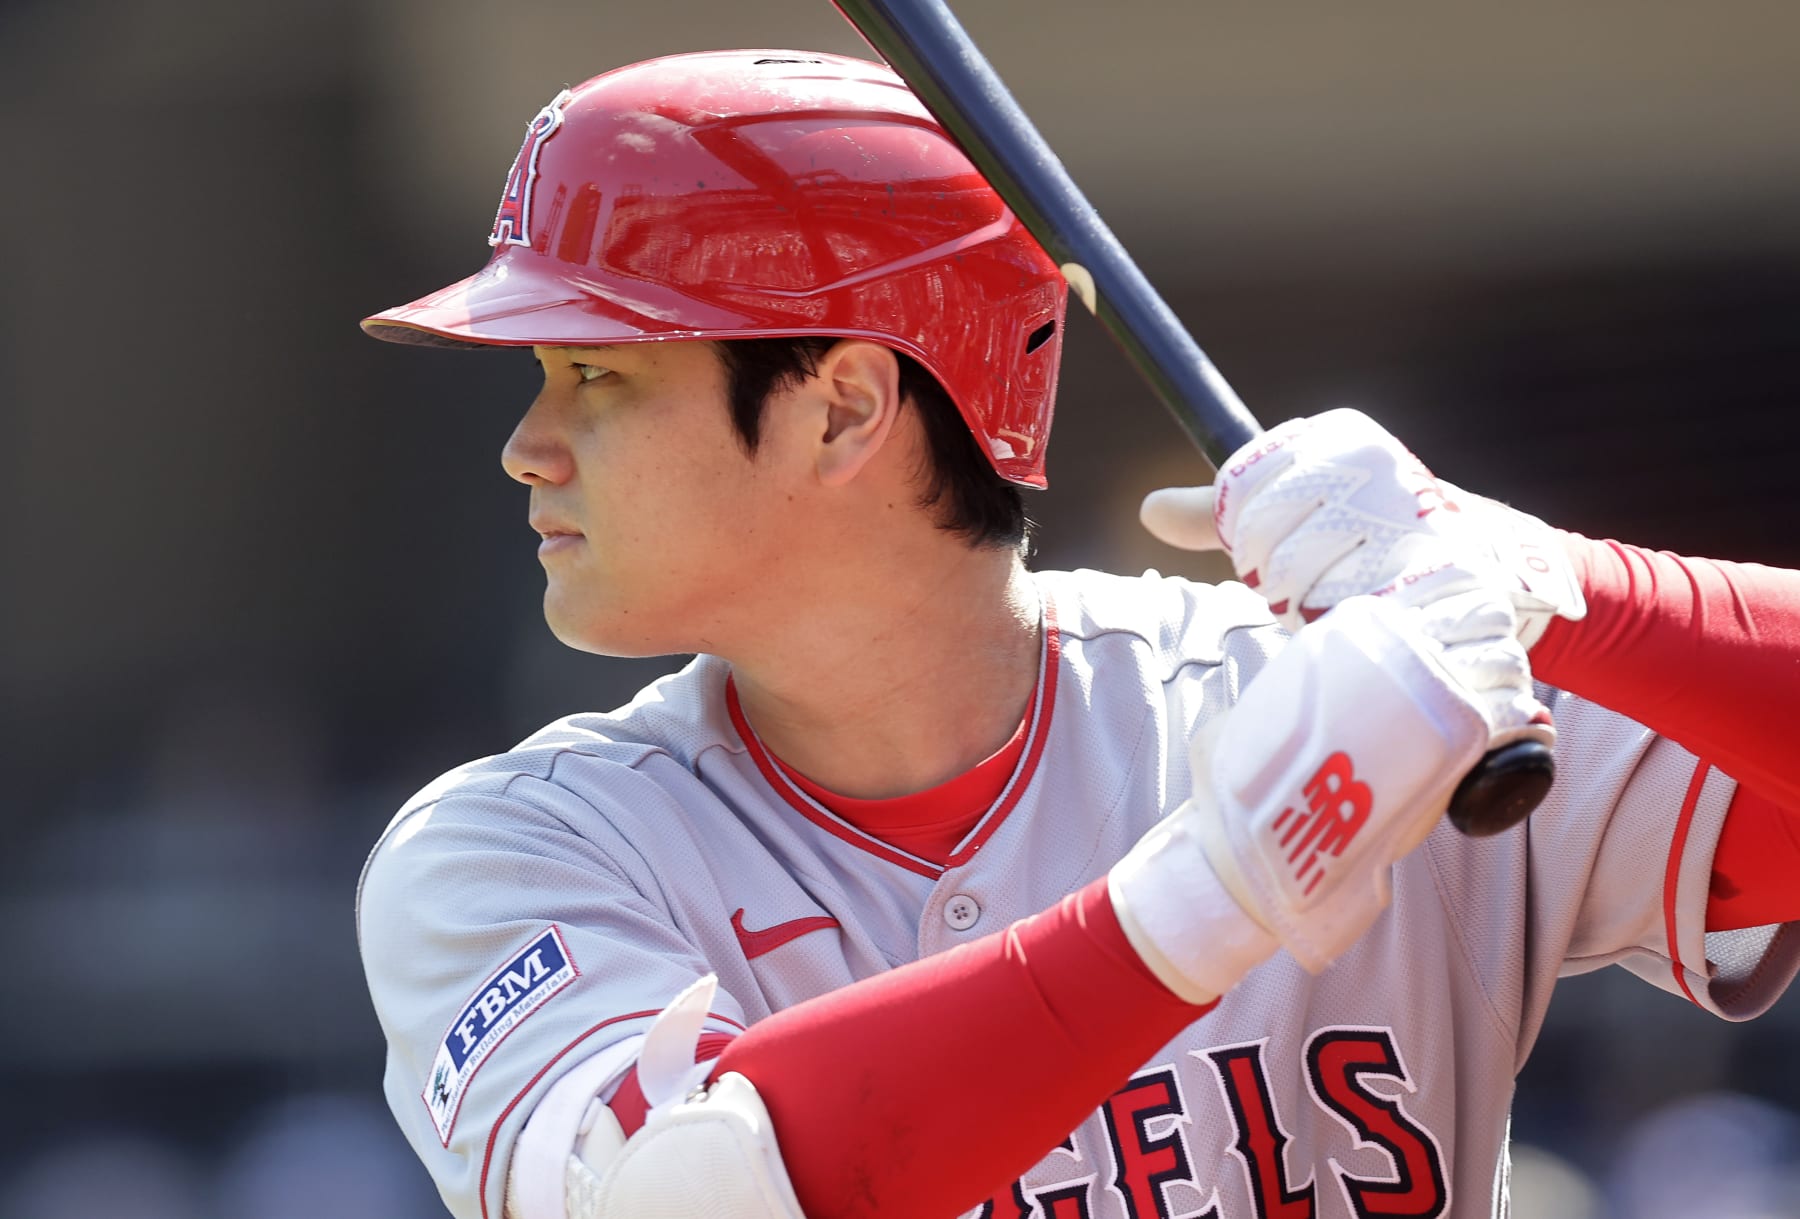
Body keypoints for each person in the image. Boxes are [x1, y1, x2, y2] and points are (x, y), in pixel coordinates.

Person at [355, 50, 1800, 1219]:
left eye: (594, 374)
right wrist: (1215, 893)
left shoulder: (1333, 692)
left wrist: (1561, 586)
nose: (529, 448)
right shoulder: (515, 849)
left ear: (845, 408)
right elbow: (672, 1201)